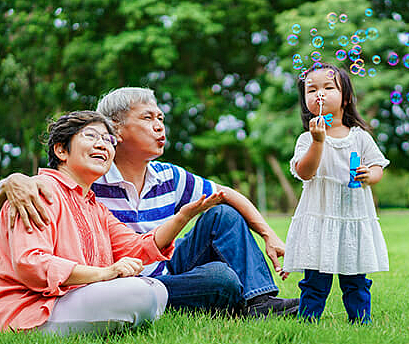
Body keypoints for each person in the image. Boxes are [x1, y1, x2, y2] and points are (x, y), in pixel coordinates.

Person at [0, 87, 299, 318]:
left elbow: (224, 196)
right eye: (148, 118)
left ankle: (259, 300)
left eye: (161, 118)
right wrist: (9, 180)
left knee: (222, 214)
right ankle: (224, 294)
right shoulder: (88, 176)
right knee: (220, 280)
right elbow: (35, 190)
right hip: (115, 282)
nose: (159, 126)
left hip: (160, 268)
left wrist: (268, 234)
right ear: (116, 129)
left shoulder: (167, 176)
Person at [0, 111, 224, 334]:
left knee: (156, 290)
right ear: (61, 150)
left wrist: (181, 218)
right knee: (139, 293)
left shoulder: (95, 207)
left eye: (108, 140)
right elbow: (31, 263)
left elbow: (136, 247)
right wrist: (104, 273)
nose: (102, 145)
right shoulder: (37, 192)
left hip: (72, 300)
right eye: (91, 136)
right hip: (32, 308)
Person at [283, 63, 389, 324]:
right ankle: (308, 322)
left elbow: (377, 167)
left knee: (356, 281)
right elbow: (305, 172)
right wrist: (318, 142)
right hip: (320, 221)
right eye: (311, 89)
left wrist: (369, 175)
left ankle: (361, 322)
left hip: (351, 219)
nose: (319, 94)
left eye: (328, 87)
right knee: (314, 282)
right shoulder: (306, 139)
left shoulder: (360, 137)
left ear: (346, 98)